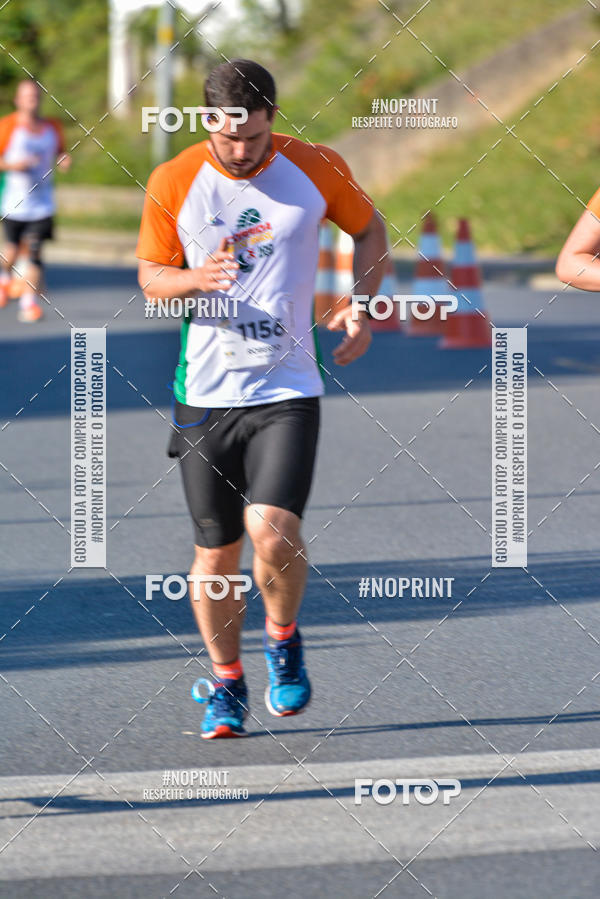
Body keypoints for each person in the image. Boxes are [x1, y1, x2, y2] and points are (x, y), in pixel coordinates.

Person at [137, 59, 388, 738]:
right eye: (226, 139)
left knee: (271, 531)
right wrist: (193, 279)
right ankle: (226, 682)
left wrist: (363, 301)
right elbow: (150, 277)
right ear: (207, 123)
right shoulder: (175, 178)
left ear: (272, 119)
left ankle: (282, 637)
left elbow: (369, 229)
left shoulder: (315, 168)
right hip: (205, 394)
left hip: (287, 387)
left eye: (251, 138)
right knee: (215, 555)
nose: (240, 151)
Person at [0, 78, 71, 322]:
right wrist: (13, 165)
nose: (33, 100)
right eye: (27, 96)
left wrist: (63, 160)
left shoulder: (52, 127)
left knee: (34, 251)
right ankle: (3, 278)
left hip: (42, 204)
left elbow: (60, 151)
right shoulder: (7, 127)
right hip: (14, 203)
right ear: (18, 100)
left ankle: (28, 304)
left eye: (36, 96)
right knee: (10, 250)